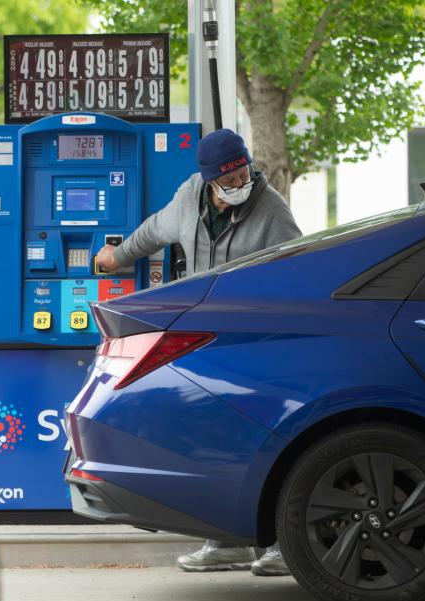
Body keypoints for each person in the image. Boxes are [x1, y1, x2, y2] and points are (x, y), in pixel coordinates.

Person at [95, 128, 302, 576]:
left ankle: (286, 544)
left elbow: (296, 273)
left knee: (275, 441)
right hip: (207, 340)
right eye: (228, 180)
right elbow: (155, 230)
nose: (238, 184)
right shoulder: (189, 198)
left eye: (243, 173)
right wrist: (119, 256)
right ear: (209, 180)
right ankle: (226, 541)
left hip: (257, 343)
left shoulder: (272, 211)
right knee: (221, 440)